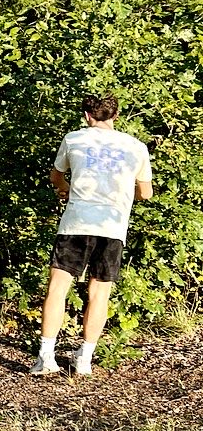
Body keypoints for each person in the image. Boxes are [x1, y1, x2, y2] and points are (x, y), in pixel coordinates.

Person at [31, 95, 153, 376]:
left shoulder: (74, 138)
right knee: (100, 293)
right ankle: (84, 358)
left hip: (76, 222)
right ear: (116, 116)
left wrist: (65, 189)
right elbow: (146, 192)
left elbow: (56, 176)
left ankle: (45, 357)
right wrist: (125, 193)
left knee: (58, 287)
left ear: (87, 115)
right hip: (112, 226)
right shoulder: (136, 147)